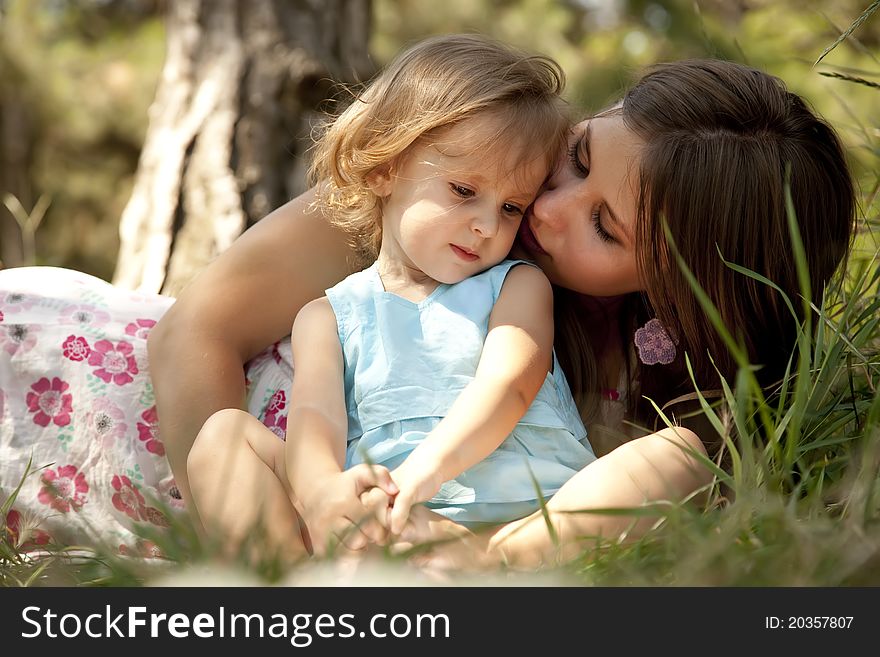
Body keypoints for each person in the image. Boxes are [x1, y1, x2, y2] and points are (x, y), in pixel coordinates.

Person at [0, 45, 854, 565]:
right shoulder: (458, 187)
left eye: (604, 225)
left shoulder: (667, 389)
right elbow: (197, 329)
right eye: (583, 154)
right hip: (112, 399)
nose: (545, 208)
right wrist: (251, 553)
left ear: (677, 284)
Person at [184, 34, 595, 557]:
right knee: (222, 434)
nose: (488, 225)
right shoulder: (328, 316)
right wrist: (323, 497)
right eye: (464, 191)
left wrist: (422, 473)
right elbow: (317, 427)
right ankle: (289, 589)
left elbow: (508, 387)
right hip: (390, 524)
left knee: (677, 455)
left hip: (530, 518)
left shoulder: (515, 284)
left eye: (512, 207)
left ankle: (486, 562)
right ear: (384, 166)